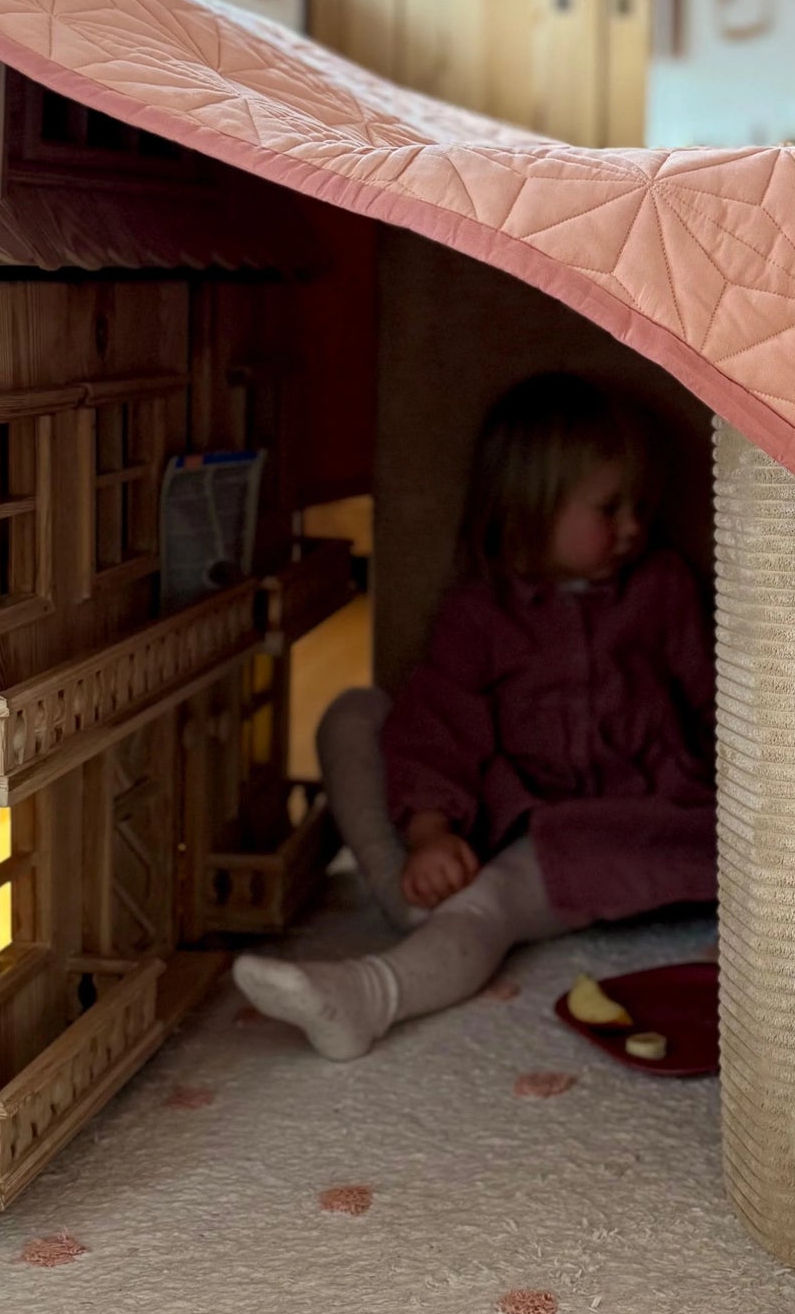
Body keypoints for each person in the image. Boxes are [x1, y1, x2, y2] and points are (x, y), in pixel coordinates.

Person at [232, 373, 715, 1060]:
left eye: (642, 505)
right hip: (502, 818)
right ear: (530, 510)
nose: (635, 526)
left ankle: (374, 989)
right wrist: (430, 829)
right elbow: (438, 723)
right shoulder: (480, 612)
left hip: (624, 824)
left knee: (490, 902)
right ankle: (421, 901)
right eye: (612, 507)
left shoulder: (662, 586)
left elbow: (716, 701)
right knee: (354, 716)